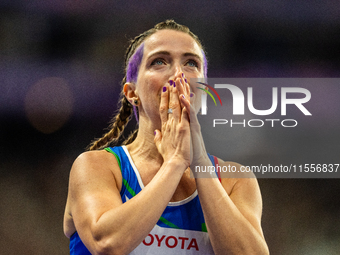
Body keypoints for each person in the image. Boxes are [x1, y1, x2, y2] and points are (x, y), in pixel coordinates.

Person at [63, 20, 269, 255]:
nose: (178, 74)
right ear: (132, 93)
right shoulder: (96, 167)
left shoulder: (235, 180)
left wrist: (200, 162)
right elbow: (107, 244)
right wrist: (175, 162)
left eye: (191, 63)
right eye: (159, 61)